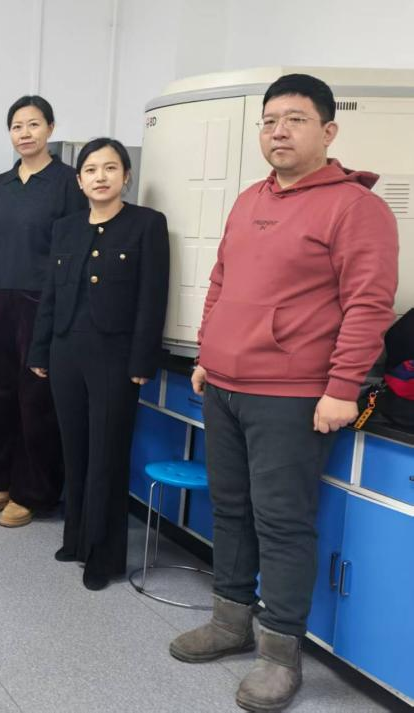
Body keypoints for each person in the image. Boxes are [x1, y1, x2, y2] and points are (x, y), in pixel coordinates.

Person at [169, 74, 398, 713]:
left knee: (282, 521)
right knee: (230, 509)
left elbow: (369, 305)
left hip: (294, 395)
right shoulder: (251, 199)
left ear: (328, 131)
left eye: (295, 119)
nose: (278, 131)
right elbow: (221, 282)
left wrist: (342, 388)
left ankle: (278, 652)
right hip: (225, 386)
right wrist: (208, 353)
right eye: (269, 120)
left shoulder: (355, 208)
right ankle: (230, 620)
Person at [27, 137, 168, 591]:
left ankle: (103, 556)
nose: (100, 177)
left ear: (127, 176)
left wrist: (143, 358)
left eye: (110, 168)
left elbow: (152, 297)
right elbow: (51, 293)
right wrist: (40, 349)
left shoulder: (146, 224)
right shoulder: (66, 228)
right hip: (66, 350)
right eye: (91, 169)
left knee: (107, 453)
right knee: (74, 449)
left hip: (115, 355)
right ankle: (76, 538)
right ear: (79, 179)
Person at [0, 96, 87, 527]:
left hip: (41, 303)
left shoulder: (68, 182)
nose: (25, 133)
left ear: (50, 128)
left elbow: (74, 253)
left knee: (36, 399)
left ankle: (32, 491)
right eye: (17, 126)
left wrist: (63, 311)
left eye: (33, 124)